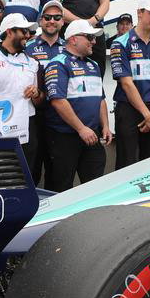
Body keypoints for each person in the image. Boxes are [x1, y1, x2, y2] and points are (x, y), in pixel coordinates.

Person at [43, 19, 111, 192]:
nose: (94, 42)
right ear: (73, 39)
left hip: (92, 135)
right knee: (61, 187)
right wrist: (81, 129)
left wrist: (106, 126)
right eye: (89, 37)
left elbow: (100, 98)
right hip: (65, 137)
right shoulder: (58, 63)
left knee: (95, 187)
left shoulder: (94, 64)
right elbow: (58, 100)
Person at [0, 12, 44, 171]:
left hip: (27, 126)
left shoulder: (33, 62)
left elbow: (41, 100)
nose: (28, 35)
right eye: (24, 31)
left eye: (29, 32)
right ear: (10, 31)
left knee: (27, 174)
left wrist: (36, 94)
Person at [108, 0, 150, 168]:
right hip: (129, 108)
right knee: (126, 163)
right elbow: (126, 83)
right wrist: (147, 115)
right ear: (140, 13)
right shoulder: (120, 43)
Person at [24, 0, 67, 185]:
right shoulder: (27, 47)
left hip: (60, 116)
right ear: (41, 21)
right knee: (31, 165)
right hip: (32, 114)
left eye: (57, 17)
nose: (52, 21)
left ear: (62, 22)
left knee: (56, 167)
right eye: (47, 17)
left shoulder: (69, 48)